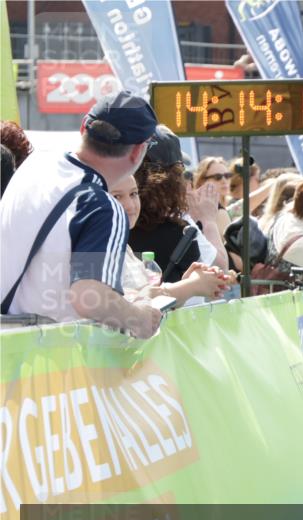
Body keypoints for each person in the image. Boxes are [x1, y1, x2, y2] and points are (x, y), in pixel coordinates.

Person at [0, 90, 162, 337]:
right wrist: (138, 317)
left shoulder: (35, 165)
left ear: (83, 127)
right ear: (138, 151)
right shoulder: (101, 207)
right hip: (48, 349)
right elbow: (90, 296)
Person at [110, 174, 234, 305]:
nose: (130, 205)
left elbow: (149, 304)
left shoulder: (121, 245)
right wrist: (191, 285)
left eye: (133, 194)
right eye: (116, 196)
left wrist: (188, 283)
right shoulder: (99, 245)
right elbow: (124, 302)